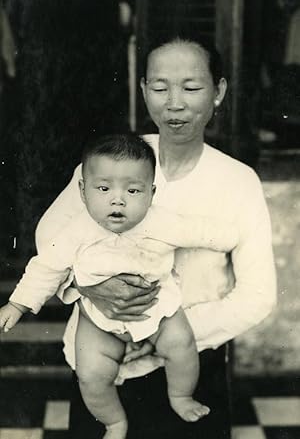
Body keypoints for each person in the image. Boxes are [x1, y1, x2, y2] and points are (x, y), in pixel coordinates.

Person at [35, 33, 277, 439]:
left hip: (192, 365)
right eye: (160, 87)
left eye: (191, 87)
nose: (174, 103)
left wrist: (162, 334)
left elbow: (258, 295)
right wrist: (86, 286)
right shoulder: (113, 162)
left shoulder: (238, 182)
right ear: (144, 91)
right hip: (103, 365)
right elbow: (50, 237)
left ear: (218, 92)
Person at [0, 133, 240, 439]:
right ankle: (114, 421)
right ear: (83, 191)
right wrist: (18, 304)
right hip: (98, 321)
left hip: (157, 311)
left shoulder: (162, 222)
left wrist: (229, 236)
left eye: (133, 190)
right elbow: (45, 267)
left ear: (151, 193)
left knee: (182, 345)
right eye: (103, 188)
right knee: (90, 374)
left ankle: (181, 396)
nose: (118, 199)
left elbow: (200, 231)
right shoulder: (75, 232)